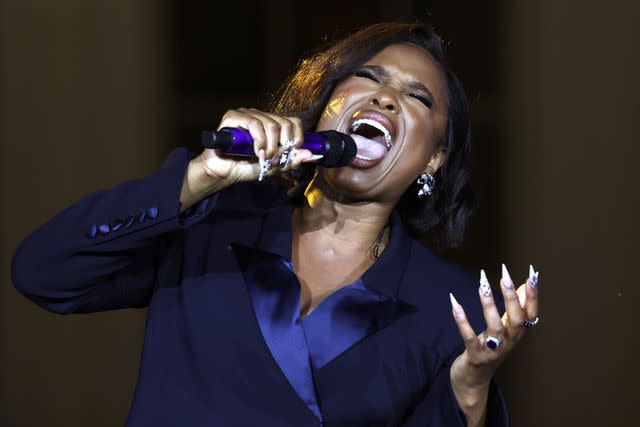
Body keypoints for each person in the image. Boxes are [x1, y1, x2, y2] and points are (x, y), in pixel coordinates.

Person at [11, 22, 540, 426]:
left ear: (435, 159)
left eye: (416, 97)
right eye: (369, 77)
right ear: (327, 105)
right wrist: (197, 181)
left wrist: (470, 387)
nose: (385, 98)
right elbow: (43, 272)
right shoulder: (214, 220)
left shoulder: (452, 307)